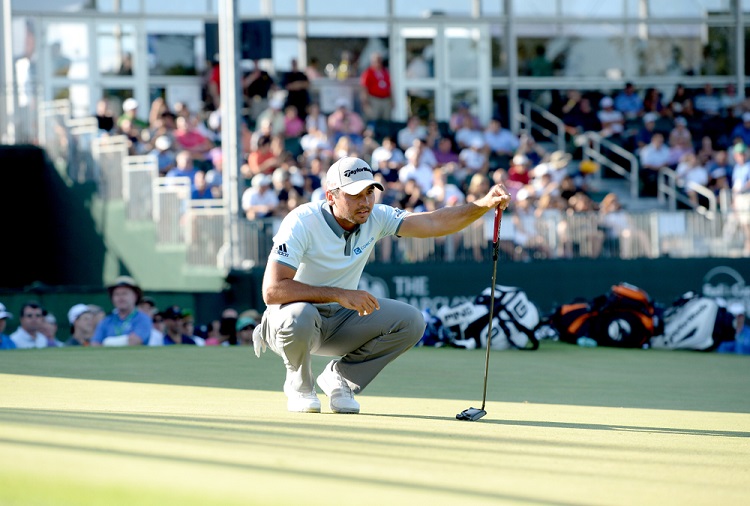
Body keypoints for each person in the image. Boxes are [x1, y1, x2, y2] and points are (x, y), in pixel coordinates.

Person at [252, 156, 511, 414]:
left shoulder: (377, 216)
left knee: (411, 321)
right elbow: (273, 291)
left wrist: (483, 204)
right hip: (291, 320)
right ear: (331, 196)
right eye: (354, 195)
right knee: (300, 315)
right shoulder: (301, 221)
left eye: (369, 192)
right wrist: (339, 294)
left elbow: (434, 222)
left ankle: (340, 377)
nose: (365, 202)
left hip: (339, 320)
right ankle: (300, 385)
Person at [91, 276, 152, 346]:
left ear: (135, 296)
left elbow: (134, 341)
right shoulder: (106, 320)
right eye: (116, 294)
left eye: (124, 293)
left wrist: (107, 342)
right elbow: (95, 344)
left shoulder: (143, 319)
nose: (120, 298)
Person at [359, 52, 392, 121]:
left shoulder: (385, 72)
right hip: (374, 99)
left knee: (386, 120)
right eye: (376, 61)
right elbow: (364, 87)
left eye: (379, 60)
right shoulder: (368, 72)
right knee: (374, 119)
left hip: (385, 99)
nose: (378, 63)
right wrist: (365, 102)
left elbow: (390, 86)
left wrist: (392, 100)